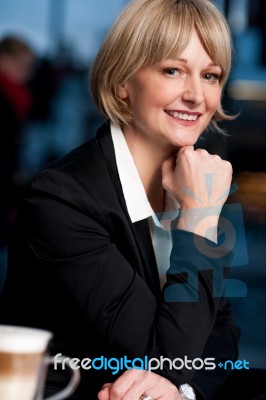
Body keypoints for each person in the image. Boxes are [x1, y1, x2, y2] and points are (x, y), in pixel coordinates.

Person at [0, 1, 266, 399]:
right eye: (173, 70)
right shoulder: (61, 198)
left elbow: (221, 338)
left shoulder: (205, 182)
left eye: (210, 75)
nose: (196, 94)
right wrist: (197, 222)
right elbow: (158, 358)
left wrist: (182, 394)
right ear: (124, 81)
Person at [0, 35, 35, 246]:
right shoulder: (7, 98)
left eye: (31, 66)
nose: (27, 73)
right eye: (21, 65)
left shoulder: (16, 97)